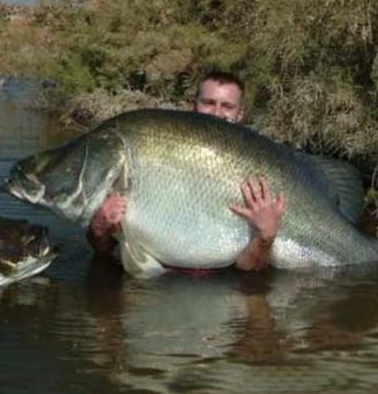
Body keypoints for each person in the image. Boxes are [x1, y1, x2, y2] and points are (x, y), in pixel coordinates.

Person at [87, 71, 285, 272]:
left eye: (227, 106)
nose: (216, 113)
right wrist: (99, 228)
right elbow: (104, 252)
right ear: (194, 104)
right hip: (150, 291)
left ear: (240, 113)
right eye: (209, 102)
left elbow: (248, 271)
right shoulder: (156, 149)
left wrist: (266, 236)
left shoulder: (261, 166)